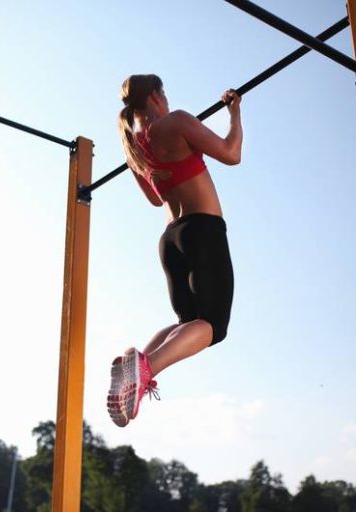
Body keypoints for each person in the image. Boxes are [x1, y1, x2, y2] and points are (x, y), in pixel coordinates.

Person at [107, 74, 243, 427]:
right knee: (212, 325)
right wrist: (235, 114)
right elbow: (232, 154)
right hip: (202, 229)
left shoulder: (133, 146)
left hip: (170, 239)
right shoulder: (176, 121)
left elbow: (155, 198)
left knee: (189, 323)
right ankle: (147, 366)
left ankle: (138, 367)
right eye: (164, 95)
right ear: (155, 96)